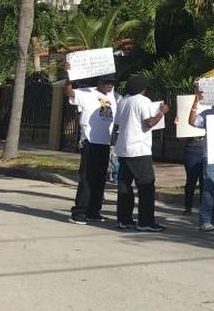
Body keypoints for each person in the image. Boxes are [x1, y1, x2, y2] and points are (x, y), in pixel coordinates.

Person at [113, 76, 167, 232]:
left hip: (123, 149)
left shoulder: (123, 102)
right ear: (143, 88)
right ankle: (146, 222)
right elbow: (148, 123)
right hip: (138, 149)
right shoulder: (143, 101)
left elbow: (117, 125)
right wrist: (161, 112)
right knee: (146, 186)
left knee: (125, 185)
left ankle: (124, 219)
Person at [64, 70, 117, 225]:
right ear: (99, 82)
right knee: (87, 179)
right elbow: (69, 92)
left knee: (100, 179)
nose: (110, 85)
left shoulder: (113, 97)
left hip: (105, 143)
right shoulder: (86, 93)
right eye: (107, 82)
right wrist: (68, 75)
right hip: (90, 142)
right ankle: (79, 212)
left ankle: (94, 211)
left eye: (112, 83)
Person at [189, 87, 214, 231]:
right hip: (211, 154)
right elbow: (192, 122)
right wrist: (196, 101)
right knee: (209, 186)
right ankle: (204, 219)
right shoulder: (208, 113)